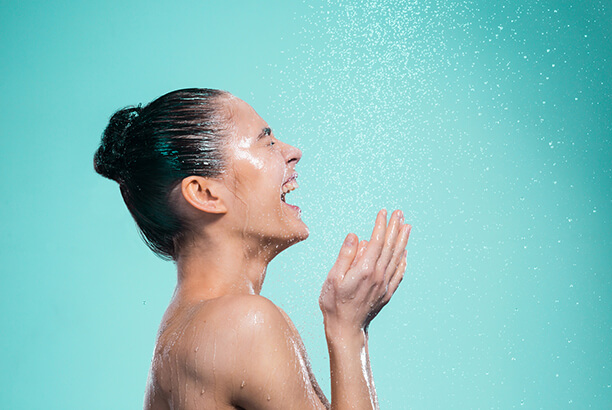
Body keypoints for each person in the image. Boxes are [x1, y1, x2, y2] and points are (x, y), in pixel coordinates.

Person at [94, 88, 411, 410]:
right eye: (268, 141)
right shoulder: (243, 323)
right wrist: (348, 331)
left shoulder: (185, 329)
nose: (293, 151)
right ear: (205, 193)